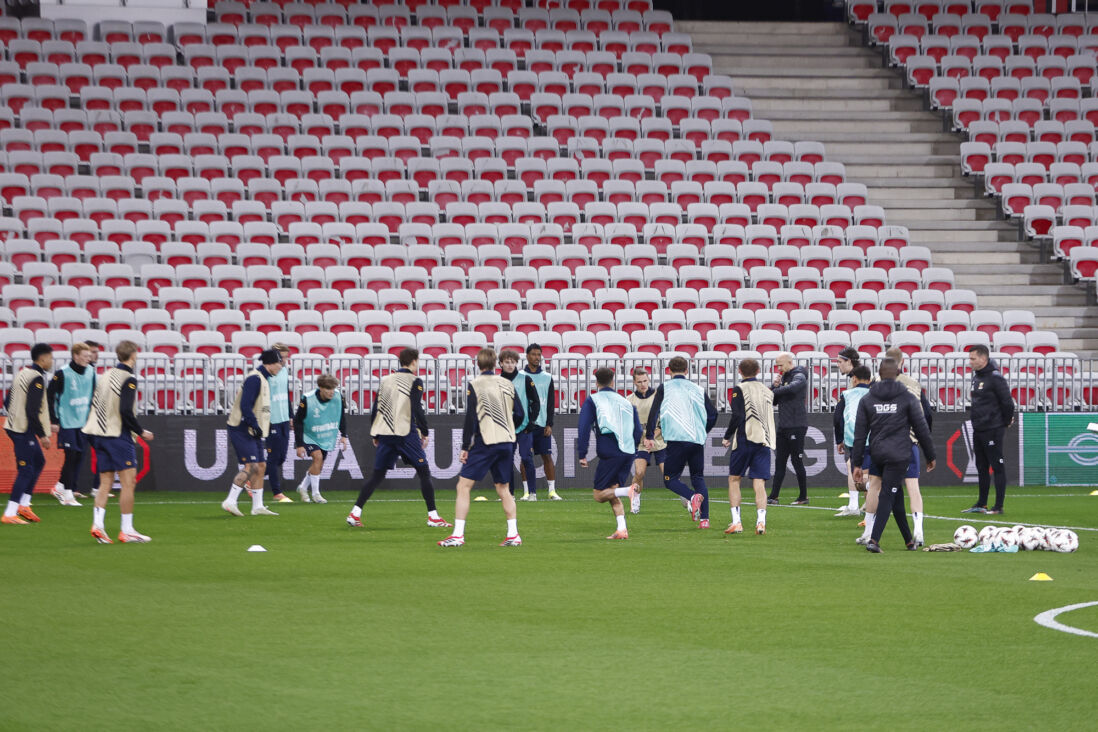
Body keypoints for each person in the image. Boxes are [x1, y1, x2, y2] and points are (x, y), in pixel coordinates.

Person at [348, 348, 450, 529]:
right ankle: (433, 516)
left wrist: (375, 432)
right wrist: (425, 431)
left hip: (385, 432)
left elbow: (376, 407)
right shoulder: (415, 381)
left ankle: (355, 512)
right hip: (405, 432)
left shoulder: (386, 379)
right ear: (414, 361)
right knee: (424, 472)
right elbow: (417, 408)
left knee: (377, 476)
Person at [438, 348, 525, 547]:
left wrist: (465, 445)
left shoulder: (475, 385)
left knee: (463, 486)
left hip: (486, 441)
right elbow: (519, 414)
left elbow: (471, 418)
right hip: (507, 440)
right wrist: (508, 425)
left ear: (478, 364)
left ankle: (458, 535)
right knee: (504, 489)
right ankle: (513, 534)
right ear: (496, 364)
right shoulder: (507, 384)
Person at [851, 358, 936, 553]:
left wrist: (857, 463)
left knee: (895, 495)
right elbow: (921, 428)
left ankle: (908, 540)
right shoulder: (907, 398)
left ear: (878, 375)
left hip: (877, 453)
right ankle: (874, 540)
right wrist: (930, 455)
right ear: (898, 373)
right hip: (899, 453)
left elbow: (860, 434)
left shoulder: (868, 398)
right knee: (889, 494)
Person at [82, 340, 155, 543]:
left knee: (105, 482)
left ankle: (98, 525)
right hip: (117, 435)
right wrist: (140, 431)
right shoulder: (128, 378)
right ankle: (127, 529)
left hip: (98, 433)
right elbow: (124, 410)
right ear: (133, 355)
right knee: (128, 483)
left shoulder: (105, 375)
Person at [645, 356, 718, 529]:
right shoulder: (698, 389)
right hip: (696, 439)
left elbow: (654, 412)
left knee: (670, 480)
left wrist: (649, 436)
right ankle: (705, 520)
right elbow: (713, 414)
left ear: (669, 371)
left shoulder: (665, 387)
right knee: (698, 478)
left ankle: (692, 497)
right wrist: (703, 431)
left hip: (676, 440)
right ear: (687, 371)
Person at [577, 367, 642, 540]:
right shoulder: (626, 402)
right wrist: (633, 450)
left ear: (596, 383)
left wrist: (582, 453)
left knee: (599, 495)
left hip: (610, 450)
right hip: (627, 451)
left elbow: (583, 427)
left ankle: (629, 490)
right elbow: (638, 430)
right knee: (612, 491)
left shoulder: (593, 400)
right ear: (613, 382)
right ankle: (622, 529)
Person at [221, 349, 282, 518]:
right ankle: (230, 501)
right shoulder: (255, 379)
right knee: (252, 466)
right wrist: (254, 425)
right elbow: (245, 406)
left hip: (252, 429)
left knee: (261, 466)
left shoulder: (262, 379)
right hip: (242, 428)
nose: (281, 366)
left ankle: (258, 506)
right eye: (279, 363)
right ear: (271, 363)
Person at [722, 358, 776, 535]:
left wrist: (727, 435)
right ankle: (761, 522)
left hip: (746, 438)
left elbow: (737, 415)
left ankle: (736, 521)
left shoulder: (740, 389)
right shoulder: (767, 391)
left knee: (734, 479)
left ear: (739, 371)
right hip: (765, 440)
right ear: (758, 370)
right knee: (759, 482)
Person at [886, 347, 934, 546]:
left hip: (887, 443)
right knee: (913, 486)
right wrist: (927, 446)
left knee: (879, 486)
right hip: (910, 441)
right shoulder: (913, 384)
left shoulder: (880, 384)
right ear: (902, 361)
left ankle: (870, 531)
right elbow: (925, 416)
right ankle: (919, 531)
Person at [3, 344, 53, 525]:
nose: (51, 361)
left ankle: (24, 504)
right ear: (42, 359)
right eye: (50, 358)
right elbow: (32, 410)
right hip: (23, 430)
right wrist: (42, 435)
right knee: (26, 470)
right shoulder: (37, 379)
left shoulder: (22, 373)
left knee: (39, 462)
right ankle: (10, 512)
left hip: (17, 427)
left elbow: (7, 401)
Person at [963, 344, 1015, 516]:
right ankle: (982, 503)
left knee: (997, 465)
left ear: (983, 359)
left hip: (993, 428)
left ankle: (998, 506)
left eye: (973, 358)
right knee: (981, 466)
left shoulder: (995, 378)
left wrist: (1006, 421)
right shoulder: (976, 377)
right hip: (978, 428)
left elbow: (1007, 402)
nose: (970, 362)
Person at [48, 342, 96, 506]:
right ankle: (68, 495)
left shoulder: (91, 372)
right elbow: (50, 396)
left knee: (78, 457)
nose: (88, 359)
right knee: (71, 456)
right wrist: (54, 420)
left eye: (89, 356)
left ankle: (59, 486)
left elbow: (94, 394)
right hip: (66, 421)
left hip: (83, 422)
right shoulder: (63, 373)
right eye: (85, 356)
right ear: (75, 356)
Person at [292, 373, 347, 505]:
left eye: (333, 388)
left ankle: (303, 487)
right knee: (317, 457)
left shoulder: (339, 396)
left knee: (319, 464)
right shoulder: (307, 399)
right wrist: (299, 444)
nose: (331, 392)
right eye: (328, 389)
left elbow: (341, 416)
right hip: (309, 434)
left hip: (325, 435)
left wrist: (344, 435)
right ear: (320, 388)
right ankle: (316, 494)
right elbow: (298, 421)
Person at [767, 352, 810, 506]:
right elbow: (773, 400)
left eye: (780, 364)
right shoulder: (784, 377)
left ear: (789, 362)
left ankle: (803, 496)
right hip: (783, 425)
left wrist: (774, 390)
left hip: (796, 425)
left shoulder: (799, 374)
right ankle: (773, 496)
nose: (778, 368)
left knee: (797, 461)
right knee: (780, 462)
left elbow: (793, 389)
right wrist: (774, 386)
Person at [518, 343, 560, 501]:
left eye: (539, 354)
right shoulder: (519, 376)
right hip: (525, 425)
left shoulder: (547, 377)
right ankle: (527, 492)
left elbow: (550, 402)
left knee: (547, 457)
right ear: (527, 356)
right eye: (534, 354)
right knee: (525, 457)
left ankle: (552, 491)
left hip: (542, 424)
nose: (537, 357)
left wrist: (549, 424)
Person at [833, 365, 873, 522]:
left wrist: (839, 439)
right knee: (870, 473)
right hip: (873, 437)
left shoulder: (847, 394)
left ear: (854, 379)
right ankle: (870, 507)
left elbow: (838, 418)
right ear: (869, 380)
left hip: (853, 437)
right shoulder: (874, 394)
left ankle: (854, 505)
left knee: (853, 467)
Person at [498, 349, 540, 499]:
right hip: (505, 427)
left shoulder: (526, 379)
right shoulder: (496, 381)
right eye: (507, 362)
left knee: (527, 458)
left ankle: (532, 493)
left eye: (513, 362)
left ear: (517, 363)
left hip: (524, 428)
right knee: (506, 461)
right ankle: (510, 494)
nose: (510, 365)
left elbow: (535, 402)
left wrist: (532, 422)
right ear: (501, 363)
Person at [627, 366, 666, 515]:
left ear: (649, 380)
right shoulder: (630, 400)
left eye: (645, 380)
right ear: (634, 383)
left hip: (659, 441)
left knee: (668, 474)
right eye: (639, 382)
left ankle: (686, 498)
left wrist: (651, 436)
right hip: (641, 443)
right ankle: (635, 498)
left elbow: (664, 422)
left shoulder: (658, 396)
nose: (643, 384)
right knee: (639, 472)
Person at [265, 342, 294, 503]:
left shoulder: (284, 371)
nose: (284, 361)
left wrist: (290, 415)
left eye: (285, 358)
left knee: (281, 457)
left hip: (283, 418)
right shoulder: (265, 373)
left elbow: (285, 394)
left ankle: (251, 480)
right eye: (281, 357)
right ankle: (277, 492)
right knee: (274, 457)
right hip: (271, 419)